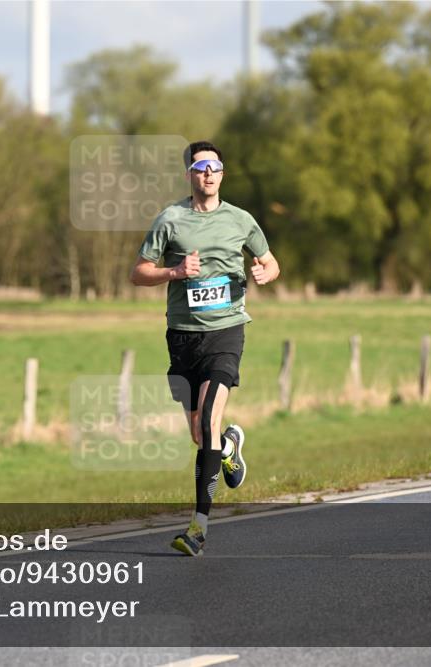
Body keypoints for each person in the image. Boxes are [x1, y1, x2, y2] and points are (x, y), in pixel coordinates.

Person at [130, 140, 280, 556]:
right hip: (182, 335)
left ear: (222, 174)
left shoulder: (241, 220)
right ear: (189, 175)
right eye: (200, 167)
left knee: (209, 421)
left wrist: (265, 273)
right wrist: (175, 271)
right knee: (201, 434)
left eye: (214, 166)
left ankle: (198, 528)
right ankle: (229, 447)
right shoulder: (170, 219)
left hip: (226, 331)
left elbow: (271, 261)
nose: (208, 173)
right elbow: (138, 273)